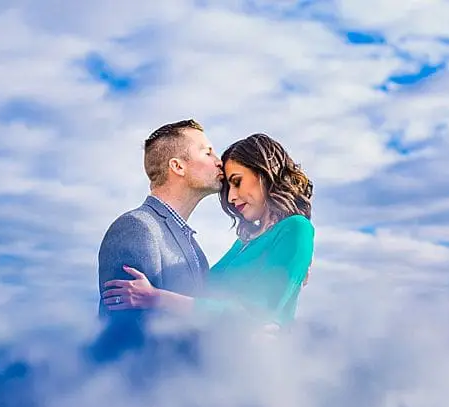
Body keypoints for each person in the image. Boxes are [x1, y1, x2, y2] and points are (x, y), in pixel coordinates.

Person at [101, 133, 314, 327]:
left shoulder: (296, 228)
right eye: (228, 187)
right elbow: (205, 299)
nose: (231, 197)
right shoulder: (243, 242)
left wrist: (157, 298)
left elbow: (257, 316)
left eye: (237, 182)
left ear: (265, 174)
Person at [91, 119, 223, 362]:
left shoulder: (194, 247)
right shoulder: (136, 228)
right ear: (178, 167)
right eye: (207, 152)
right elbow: (124, 338)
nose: (219, 160)